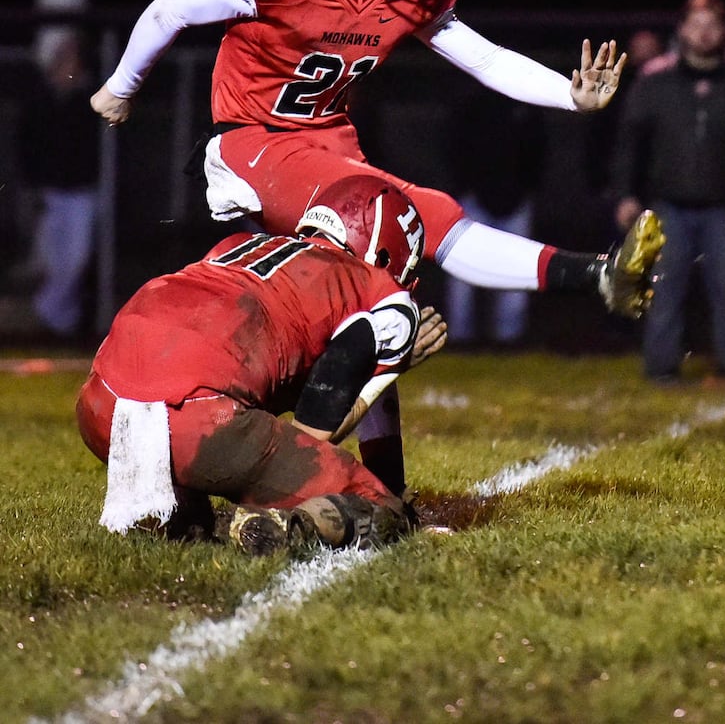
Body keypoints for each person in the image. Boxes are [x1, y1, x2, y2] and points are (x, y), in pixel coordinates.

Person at [89, 0, 662, 325]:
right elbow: (170, 9)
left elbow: (484, 59)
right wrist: (121, 86)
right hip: (251, 138)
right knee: (404, 215)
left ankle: (594, 278)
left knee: (387, 283)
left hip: (327, 139)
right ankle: (591, 276)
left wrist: (569, 95)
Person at [75, 175, 448, 555]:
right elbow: (317, 424)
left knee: (197, 525)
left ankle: (175, 509)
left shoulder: (237, 245)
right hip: (200, 423)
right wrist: (384, 488)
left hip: (102, 406)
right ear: (386, 254)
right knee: (384, 512)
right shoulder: (378, 288)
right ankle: (287, 527)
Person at [610, 0, 725, 382]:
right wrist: (624, 194)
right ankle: (661, 370)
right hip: (668, 205)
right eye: (696, 24)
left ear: (724, 31)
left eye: (712, 25)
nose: (703, 34)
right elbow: (629, 143)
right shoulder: (655, 80)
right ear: (682, 29)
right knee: (664, 290)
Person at [441, 85, 548, 346]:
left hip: (515, 200)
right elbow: (453, 147)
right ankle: (459, 342)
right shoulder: (470, 104)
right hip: (473, 199)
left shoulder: (526, 104)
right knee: (461, 272)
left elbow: (539, 150)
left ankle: (508, 342)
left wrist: (526, 189)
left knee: (517, 271)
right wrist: (464, 186)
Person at [18, 32, 99, 340]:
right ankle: (60, 324)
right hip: (50, 192)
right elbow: (27, 145)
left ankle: (50, 315)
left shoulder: (90, 96)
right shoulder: (41, 98)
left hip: (82, 192)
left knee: (76, 259)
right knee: (53, 260)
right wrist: (32, 186)